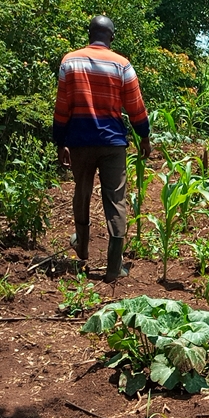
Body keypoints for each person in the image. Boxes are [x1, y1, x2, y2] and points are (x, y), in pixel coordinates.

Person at [52, 15, 152, 281]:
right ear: (112, 37)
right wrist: (144, 136)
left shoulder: (69, 62)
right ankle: (113, 267)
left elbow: (62, 106)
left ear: (89, 34)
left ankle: (82, 251)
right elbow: (135, 107)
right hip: (112, 144)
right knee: (116, 199)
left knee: (81, 192)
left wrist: (60, 141)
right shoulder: (123, 65)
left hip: (79, 141)